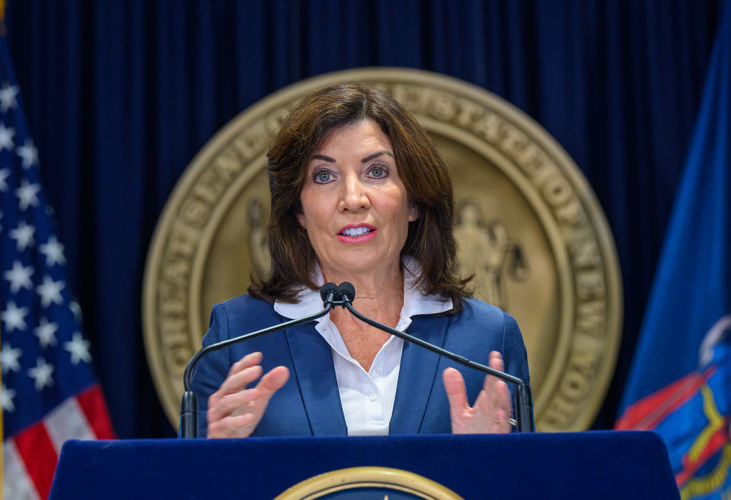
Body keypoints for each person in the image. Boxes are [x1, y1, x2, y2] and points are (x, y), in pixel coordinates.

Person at [192, 83, 531, 438]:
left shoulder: (488, 337)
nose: (353, 199)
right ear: (299, 211)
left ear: (414, 200)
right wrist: (216, 458)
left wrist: (488, 464)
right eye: (324, 176)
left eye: (377, 172)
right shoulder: (236, 336)